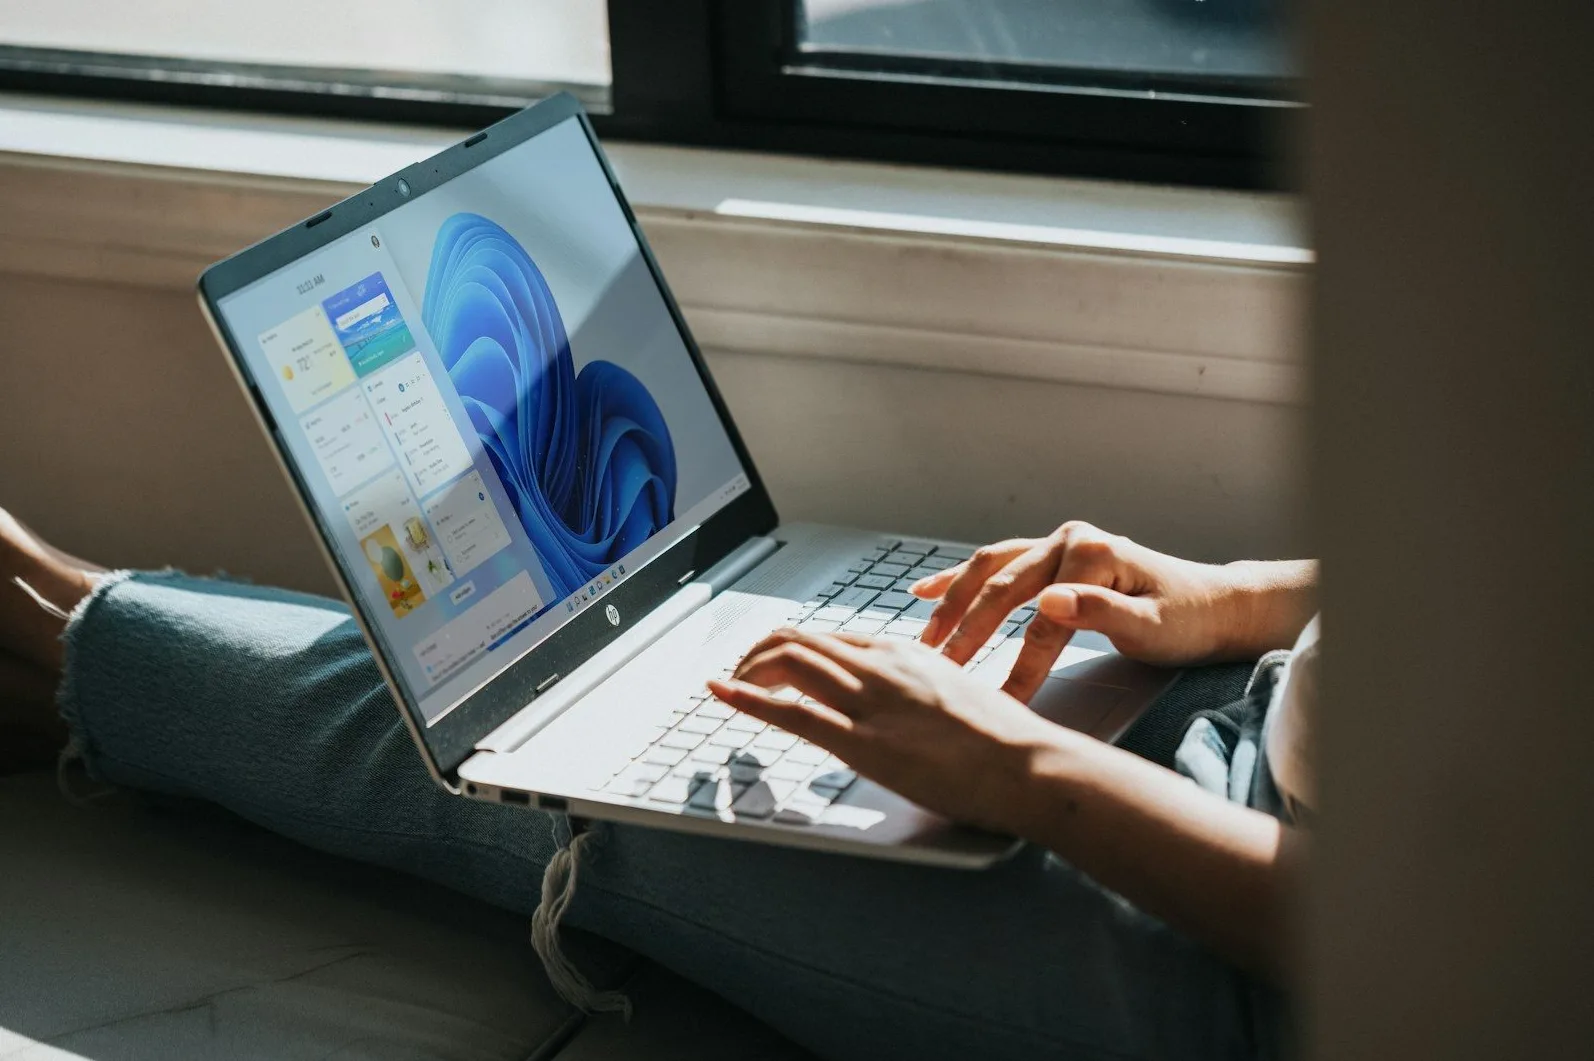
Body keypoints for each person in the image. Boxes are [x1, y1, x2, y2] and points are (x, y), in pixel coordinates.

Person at [0, 507, 1316, 1061]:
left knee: (491, 752)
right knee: (573, 678)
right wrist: (1232, 602)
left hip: (1244, 965)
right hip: (1250, 724)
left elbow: (1434, 953)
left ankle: (40, 617)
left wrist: (1018, 767)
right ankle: (64, 622)